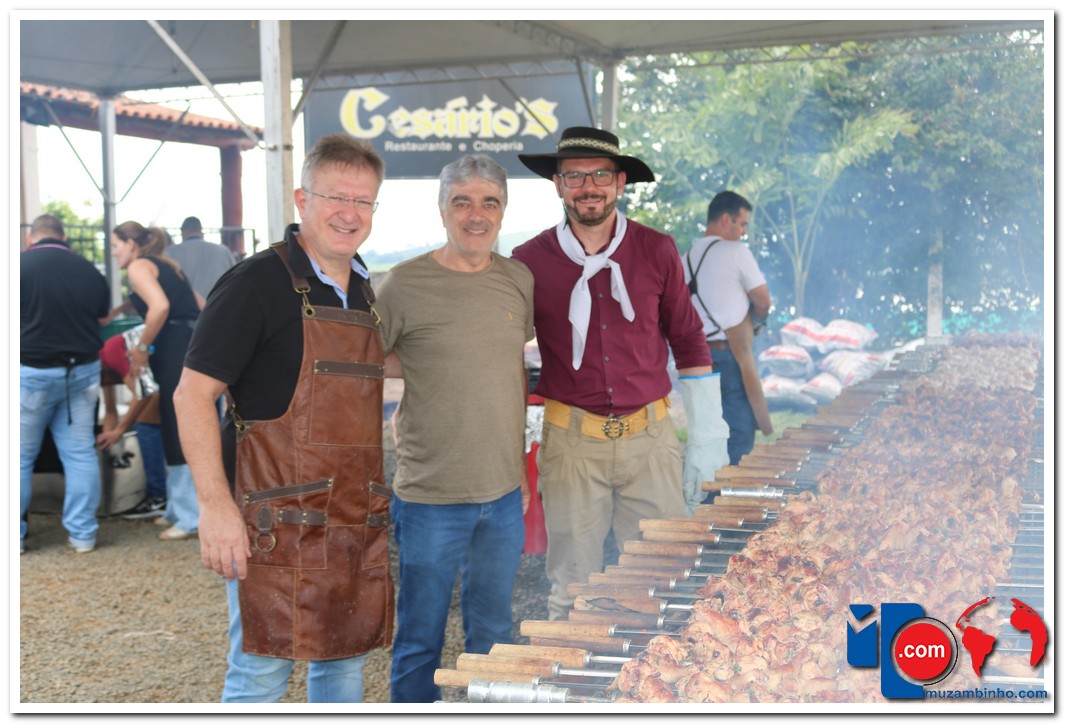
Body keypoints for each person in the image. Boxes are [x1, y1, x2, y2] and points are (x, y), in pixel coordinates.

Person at [172, 133, 393, 703]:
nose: (349, 213)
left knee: (343, 661)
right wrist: (215, 507)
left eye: (363, 201)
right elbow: (191, 396)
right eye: (336, 197)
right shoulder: (255, 283)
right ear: (303, 199)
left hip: (351, 514)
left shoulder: (362, 290)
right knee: (261, 673)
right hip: (274, 521)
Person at [512, 127, 730, 620]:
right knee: (573, 592)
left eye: (600, 175)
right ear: (557, 184)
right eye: (575, 176)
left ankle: (654, 671)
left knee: (661, 583)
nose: (588, 187)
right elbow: (504, 348)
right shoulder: (528, 261)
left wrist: (708, 438)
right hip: (572, 445)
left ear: (620, 182)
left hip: (650, 442)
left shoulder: (657, 249)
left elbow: (689, 339)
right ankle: (571, 671)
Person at [376, 155, 534, 703]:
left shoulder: (517, 279)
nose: (476, 214)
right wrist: (423, 375)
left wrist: (519, 463)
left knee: (494, 636)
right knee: (419, 640)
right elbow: (367, 360)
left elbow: (509, 365)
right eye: (462, 202)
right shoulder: (402, 284)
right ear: (442, 208)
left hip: (502, 494)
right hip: (430, 498)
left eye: (489, 202)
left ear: (503, 210)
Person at [20, 214, 110, 554]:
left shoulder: (18, 266)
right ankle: (83, 535)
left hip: (32, 372)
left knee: (18, 457)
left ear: (31, 238)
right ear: (64, 237)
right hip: (82, 371)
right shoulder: (89, 270)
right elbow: (102, 318)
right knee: (79, 453)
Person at [110, 221, 201, 540]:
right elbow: (201, 305)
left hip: (173, 346)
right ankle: (177, 508)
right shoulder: (167, 265)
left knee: (179, 426)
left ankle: (190, 517)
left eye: (115, 245)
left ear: (130, 244)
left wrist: (141, 347)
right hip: (189, 343)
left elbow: (160, 306)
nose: (113, 253)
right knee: (179, 422)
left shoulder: (138, 267)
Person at [683, 190, 773, 466]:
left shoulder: (684, 258)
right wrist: (756, 320)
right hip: (730, 355)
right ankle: (730, 488)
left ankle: (706, 489)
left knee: (705, 433)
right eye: (742, 224)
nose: (744, 232)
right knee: (739, 433)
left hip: (695, 359)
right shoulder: (736, 252)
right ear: (726, 219)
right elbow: (762, 299)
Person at [96, 329, 168, 519]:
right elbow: (110, 410)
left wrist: (120, 430)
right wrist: (109, 441)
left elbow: (145, 393)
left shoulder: (109, 352)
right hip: (160, 372)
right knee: (143, 419)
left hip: (174, 356)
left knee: (145, 424)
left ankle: (158, 496)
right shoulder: (101, 367)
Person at [166, 216, 236, 300]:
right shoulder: (223, 251)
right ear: (201, 230)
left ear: (182, 231)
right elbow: (235, 278)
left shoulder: (170, 252)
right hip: (218, 303)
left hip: (186, 305)